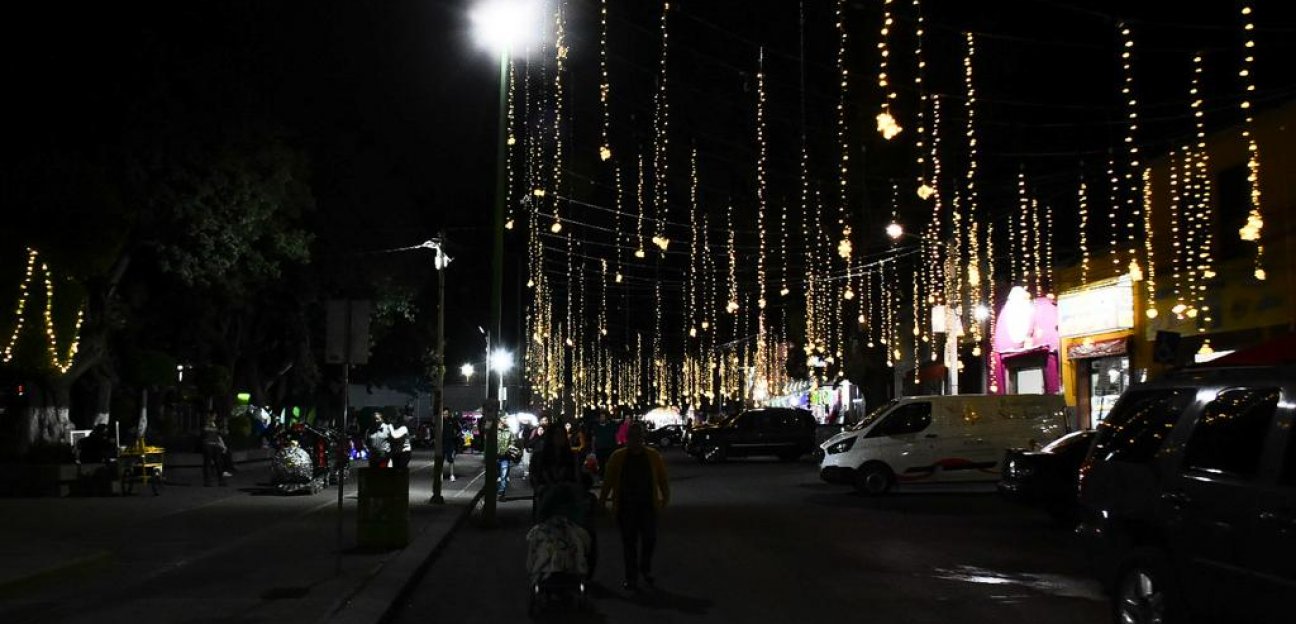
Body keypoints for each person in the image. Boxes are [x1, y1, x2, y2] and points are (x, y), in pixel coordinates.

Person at [600, 423, 669, 591]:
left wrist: (665, 498)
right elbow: (608, 480)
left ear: (642, 438)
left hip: (647, 505)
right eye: (632, 436)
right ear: (627, 438)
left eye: (638, 436)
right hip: (626, 506)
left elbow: (662, 479)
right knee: (629, 543)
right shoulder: (618, 457)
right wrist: (602, 500)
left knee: (650, 539)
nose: (635, 440)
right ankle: (631, 577)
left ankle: (645, 568)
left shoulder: (653, 456)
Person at [200, 415, 229, 486]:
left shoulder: (213, 425)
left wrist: (223, 445)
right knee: (211, 463)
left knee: (215, 463)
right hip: (210, 445)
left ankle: (216, 481)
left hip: (213, 445)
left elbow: (218, 436)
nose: (215, 417)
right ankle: (211, 481)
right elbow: (216, 435)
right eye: (214, 416)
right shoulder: (208, 425)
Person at [592, 410, 620, 478]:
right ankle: (602, 477)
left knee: (610, 463)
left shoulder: (611, 425)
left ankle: (610, 477)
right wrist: (593, 448)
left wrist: (616, 444)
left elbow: (616, 436)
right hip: (600, 448)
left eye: (603, 417)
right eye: (601, 417)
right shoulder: (596, 427)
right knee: (601, 464)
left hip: (610, 447)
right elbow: (594, 438)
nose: (602, 418)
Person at [496, 419, 519, 501]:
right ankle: (493, 493)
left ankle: (501, 494)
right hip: (494, 457)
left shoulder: (509, 431)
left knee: (503, 476)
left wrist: (512, 449)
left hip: (505, 457)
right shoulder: (493, 430)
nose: (507, 420)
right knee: (494, 477)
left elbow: (513, 443)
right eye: (504, 418)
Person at [441, 409, 459, 481]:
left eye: (446, 414)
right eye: (443, 414)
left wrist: (455, 436)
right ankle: (440, 474)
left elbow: (458, 429)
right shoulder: (440, 422)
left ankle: (451, 475)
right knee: (440, 460)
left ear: (448, 414)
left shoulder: (452, 421)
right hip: (442, 443)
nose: (445, 415)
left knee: (451, 460)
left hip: (450, 443)